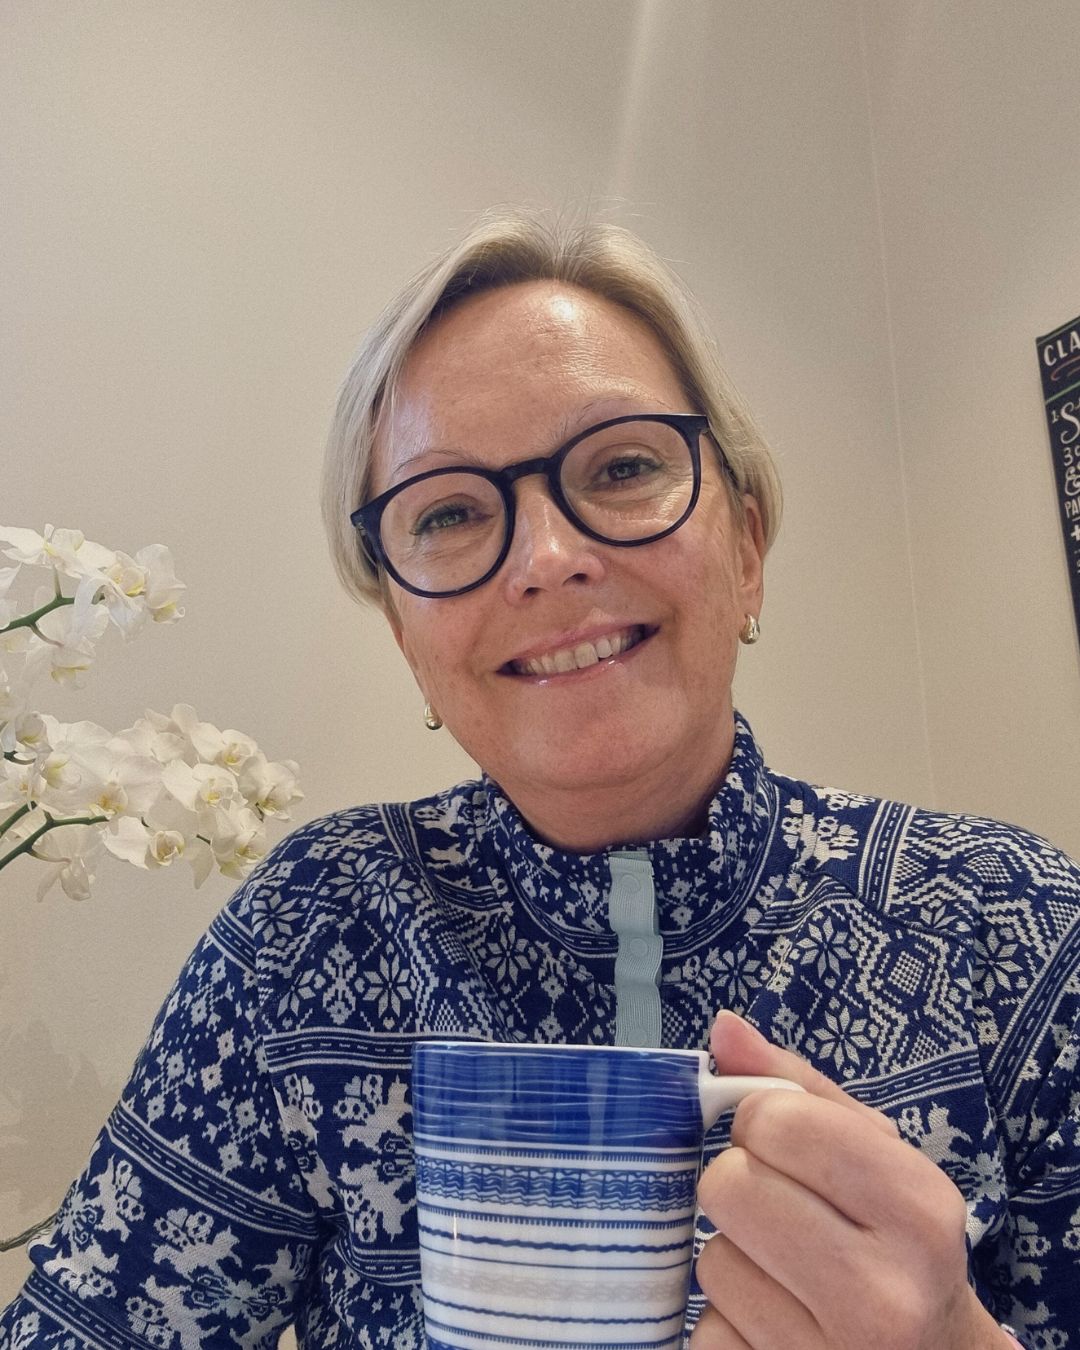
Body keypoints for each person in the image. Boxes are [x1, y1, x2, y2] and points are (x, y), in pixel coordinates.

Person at [2, 211, 1078, 1350]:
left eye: (622, 466)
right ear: (405, 635)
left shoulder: (1009, 926)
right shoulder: (311, 936)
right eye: (449, 513)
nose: (548, 559)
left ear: (748, 547)